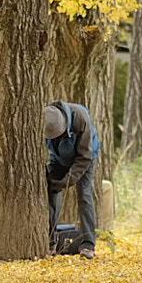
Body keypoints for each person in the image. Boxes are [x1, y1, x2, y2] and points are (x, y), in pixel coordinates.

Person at [44, 100, 101, 257]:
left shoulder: (80, 119)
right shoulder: (47, 116)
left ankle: (88, 244)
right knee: (51, 191)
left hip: (84, 158)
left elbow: (85, 157)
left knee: (84, 195)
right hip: (58, 158)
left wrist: (67, 181)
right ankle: (50, 242)